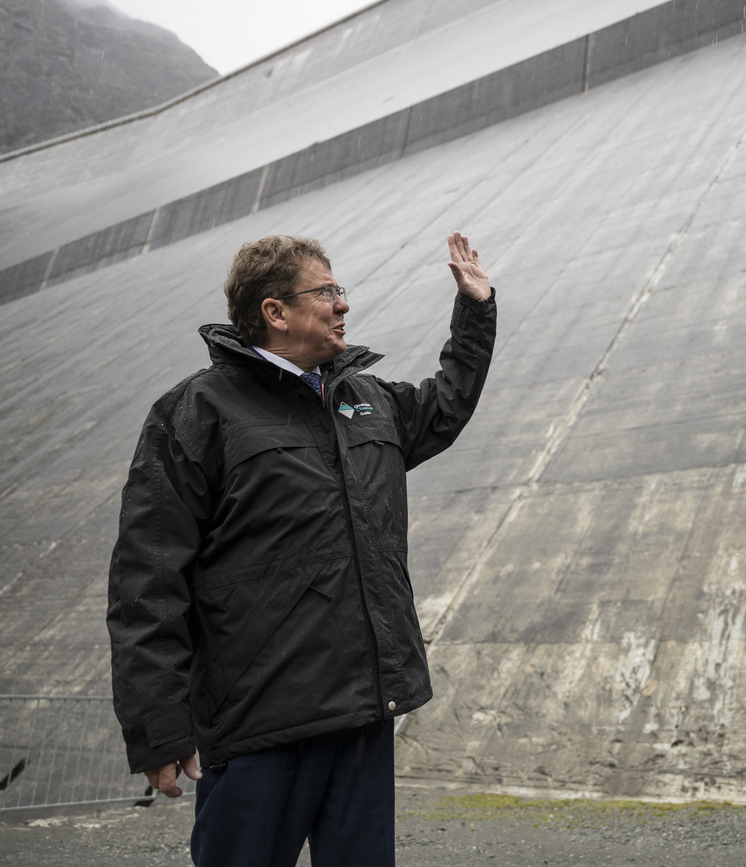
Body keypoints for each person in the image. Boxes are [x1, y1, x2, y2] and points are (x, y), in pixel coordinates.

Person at [106, 232, 496, 866]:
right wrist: (159, 724)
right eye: (327, 292)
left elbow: (446, 404)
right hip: (262, 724)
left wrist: (476, 311)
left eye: (340, 291)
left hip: (364, 711)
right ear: (275, 311)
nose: (343, 305)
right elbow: (147, 580)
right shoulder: (198, 412)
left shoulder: (364, 400)